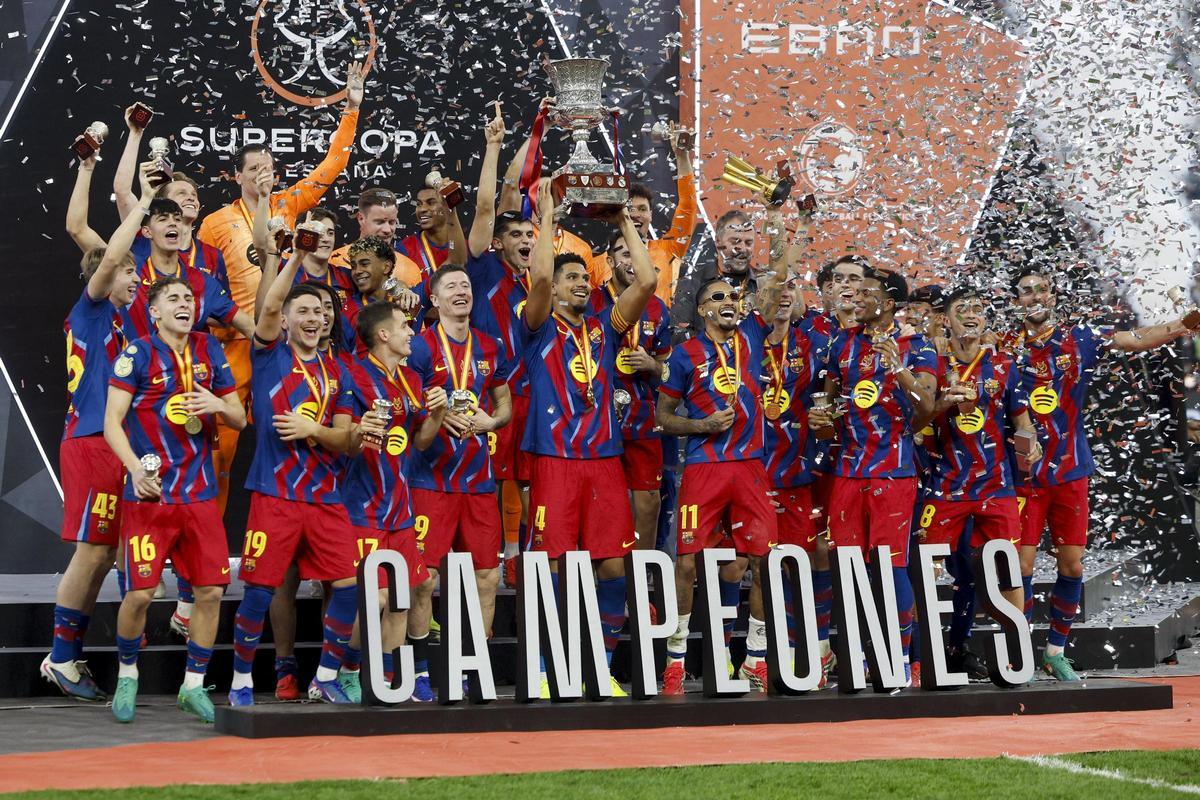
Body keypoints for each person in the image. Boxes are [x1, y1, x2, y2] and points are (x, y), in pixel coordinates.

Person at [1009, 266, 1199, 680]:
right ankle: (1019, 651)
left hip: (1071, 470)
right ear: (1016, 301)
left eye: (1042, 289)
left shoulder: (1080, 337)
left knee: (1073, 566)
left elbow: (1137, 339)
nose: (1035, 297)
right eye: (1026, 292)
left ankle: (1054, 651)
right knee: (1021, 567)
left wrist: (1184, 324)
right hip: (1023, 476)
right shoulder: (1005, 347)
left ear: (1054, 296)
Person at [197, 61, 364, 513]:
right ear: (238, 176)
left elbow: (333, 165)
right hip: (234, 341)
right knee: (221, 449)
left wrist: (351, 108)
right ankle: (206, 549)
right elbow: (201, 283)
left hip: (282, 343)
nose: (263, 174)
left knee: (298, 431)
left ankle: (304, 530)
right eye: (254, 169)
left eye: (268, 167)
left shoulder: (290, 204)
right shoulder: (214, 224)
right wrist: (228, 324)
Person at [522, 180, 657, 695]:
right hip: (554, 460)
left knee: (610, 565)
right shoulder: (536, 327)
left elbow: (644, 280)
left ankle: (598, 667)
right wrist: (550, 217)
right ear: (554, 289)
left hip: (604, 460)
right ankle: (542, 669)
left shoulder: (604, 326)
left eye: (583, 276)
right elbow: (537, 280)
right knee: (550, 567)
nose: (581, 283)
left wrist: (623, 219)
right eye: (571, 277)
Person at [656, 203, 789, 695]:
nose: (730, 299)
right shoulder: (685, 354)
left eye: (734, 294)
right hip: (705, 467)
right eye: (718, 295)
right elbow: (662, 418)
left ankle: (755, 656)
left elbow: (776, 279)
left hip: (750, 467)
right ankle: (674, 658)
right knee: (687, 562)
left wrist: (776, 221)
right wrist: (701, 423)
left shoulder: (754, 333)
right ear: (702, 308)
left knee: (763, 558)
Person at [227, 235, 361, 706]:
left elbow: (346, 440)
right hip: (275, 495)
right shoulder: (269, 356)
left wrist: (312, 429)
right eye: (302, 312)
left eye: (319, 314)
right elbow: (267, 308)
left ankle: (324, 677)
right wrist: (298, 258)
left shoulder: (339, 372)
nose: (312, 320)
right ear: (285, 319)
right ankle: (241, 680)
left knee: (347, 590)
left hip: (326, 498)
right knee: (260, 592)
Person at [103, 277, 245, 723]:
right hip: (153, 494)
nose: (184, 304)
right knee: (141, 595)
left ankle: (193, 685)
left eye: (189, 298)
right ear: (155, 311)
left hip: (200, 495)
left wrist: (215, 405)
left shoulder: (208, 349)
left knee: (210, 592)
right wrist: (134, 471)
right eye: (174, 299)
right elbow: (112, 422)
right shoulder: (137, 354)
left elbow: (240, 417)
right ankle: (127, 676)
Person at [40, 169, 148, 701]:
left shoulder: (123, 325)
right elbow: (101, 253)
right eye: (131, 273)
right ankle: (60, 657)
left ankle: (69, 655)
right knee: (90, 552)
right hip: (89, 441)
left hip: (109, 443)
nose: (136, 280)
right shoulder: (92, 309)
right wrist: (141, 205)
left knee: (105, 553)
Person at [808, 265, 937, 686]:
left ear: (889, 302)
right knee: (849, 567)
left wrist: (898, 368)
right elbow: (825, 409)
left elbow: (927, 408)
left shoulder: (917, 346)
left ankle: (899, 657)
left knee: (890, 567)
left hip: (894, 473)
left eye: (866, 292)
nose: (856, 297)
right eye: (854, 291)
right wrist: (820, 418)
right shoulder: (839, 346)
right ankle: (857, 658)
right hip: (847, 472)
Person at [912, 287, 1042, 675]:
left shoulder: (1003, 365)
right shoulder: (930, 361)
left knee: (1010, 569)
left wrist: (1030, 449)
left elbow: (1022, 423)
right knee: (927, 572)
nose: (971, 315)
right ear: (945, 321)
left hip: (995, 486)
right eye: (961, 309)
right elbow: (914, 422)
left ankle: (1017, 658)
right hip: (945, 486)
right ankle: (921, 658)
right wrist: (941, 404)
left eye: (978, 310)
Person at [406, 265, 512, 700]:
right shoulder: (419, 347)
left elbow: (503, 403)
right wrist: (433, 415)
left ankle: (476, 668)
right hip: (430, 480)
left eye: (466, 286)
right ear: (434, 300)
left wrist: (493, 420)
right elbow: (411, 410)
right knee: (423, 578)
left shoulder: (490, 346)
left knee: (488, 575)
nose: (461, 292)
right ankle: (419, 672)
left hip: (478, 481)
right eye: (450, 287)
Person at [338, 302, 447, 701]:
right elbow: (343, 438)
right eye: (403, 326)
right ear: (383, 334)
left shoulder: (411, 381)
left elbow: (419, 441)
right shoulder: (351, 373)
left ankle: (385, 682)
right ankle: (347, 668)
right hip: (361, 505)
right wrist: (357, 430)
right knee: (376, 596)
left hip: (399, 508)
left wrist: (436, 414)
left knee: (404, 596)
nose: (411, 332)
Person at [744, 271, 835, 689]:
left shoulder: (814, 345)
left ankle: (814, 653)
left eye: (790, 290)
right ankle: (755, 658)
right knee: (756, 568)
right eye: (771, 291)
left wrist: (826, 420)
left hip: (796, 474)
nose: (782, 296)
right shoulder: (743, 342)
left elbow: (835, 394)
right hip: (749, 472)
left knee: (798, 567)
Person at [588, 229, 671, 558]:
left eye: (636, 254)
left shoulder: (658, 309)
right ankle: (603, 574)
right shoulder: (591, 299)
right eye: (623, 253)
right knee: (601, 499)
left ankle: (644, 578)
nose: (631, 261)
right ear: (609, 261)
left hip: (641, 414)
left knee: (648, 499)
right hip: (596, 416)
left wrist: (651, 364)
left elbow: (667, 372)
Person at [588, 124, 698, 303]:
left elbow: (688, 206)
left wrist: (682, 155)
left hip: (658, 330)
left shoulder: (669, 249)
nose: (635, 215)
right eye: (629, 209)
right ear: (619, 213)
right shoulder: (598, 264)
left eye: (642, 209)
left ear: (651, 216)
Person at [671, 209, 757, 336]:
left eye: (748, 243)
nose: (743, 249)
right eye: (735, 242)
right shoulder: (691, 283)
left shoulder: (762, 284)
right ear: (718, 242)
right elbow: (679, 332)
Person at [329, 187, 422, 287]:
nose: (387, 230)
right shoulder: (334, 262)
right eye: (380, 222)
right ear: (361, 218)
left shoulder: (409, 269)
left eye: (391, 222)